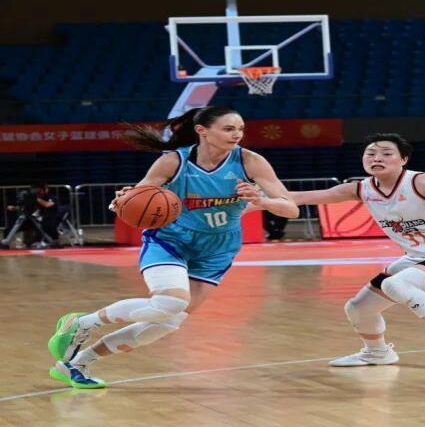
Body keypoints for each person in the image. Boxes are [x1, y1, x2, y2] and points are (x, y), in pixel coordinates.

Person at [47, 106, 299, 388]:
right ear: (202, 131)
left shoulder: (251, 161)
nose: (237, 135)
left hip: (218, 248)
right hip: (170, 240)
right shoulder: (173, 162)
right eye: (229, 129)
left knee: (168, 322)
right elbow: (137, 195)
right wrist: (125, 200)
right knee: (170, 303)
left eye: (240, 129)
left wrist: (261, 200)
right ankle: (83, 323)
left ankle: (77, 364)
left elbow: (291, 209)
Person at [243, 133, 425, 366]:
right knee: (359, 307)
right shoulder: (362, 188)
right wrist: (259, 201)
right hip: (419, 257)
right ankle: (377, 352)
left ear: (403, 159)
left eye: (386, 153)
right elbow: (300, 197)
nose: (377, 158)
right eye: (370, 154)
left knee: (396, 284)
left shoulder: (422, 182)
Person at [1, 183, 59, 248]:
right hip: (32, 220)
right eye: (34, 190)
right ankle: (5, 242)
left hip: (46, 220)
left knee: (48, 226)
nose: (37, 192)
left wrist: (36, 199)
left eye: (39, 191)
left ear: (43, 190)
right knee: (11, 227)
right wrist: (15, 207)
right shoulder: (32, 198)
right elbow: (26, 207)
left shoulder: (51, 197)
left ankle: (52, 242)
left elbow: (47, 205)